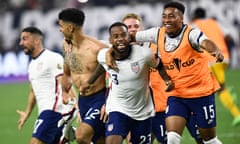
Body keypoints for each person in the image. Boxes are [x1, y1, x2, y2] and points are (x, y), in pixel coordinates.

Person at [106, 2, 224, 144]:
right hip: (176, 95)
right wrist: (109, 51)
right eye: (164, 16)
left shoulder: (191, 33)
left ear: (181, 18)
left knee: (209, 140)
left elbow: (205, 42)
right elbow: (123, 39)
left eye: (171, 16)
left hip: (200, 93)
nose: (167, 20)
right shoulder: (157, 33)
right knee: (172, 139)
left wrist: (215, 50)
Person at [122, 13, 203, 144]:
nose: (133, 29)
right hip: (152, 107)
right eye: (128, 26)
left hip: (183, 98)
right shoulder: (120, 56)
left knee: (203, 138)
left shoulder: (156, 46)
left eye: (136, 26)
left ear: (141, 29)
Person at [16, 26, 77, 144]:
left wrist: (77, 106)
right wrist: (27, 113)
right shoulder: (31, 65)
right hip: (46, 112)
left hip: (54, 111)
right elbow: (33, 91)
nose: (21, 43)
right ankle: (74, 133)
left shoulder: (52, 58)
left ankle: (72, 131)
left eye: (24, 39)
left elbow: (66, 82)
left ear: (37, 40)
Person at [58, 8, 108, 144]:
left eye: (61, 26)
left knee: (81, 136)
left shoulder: (97, 48)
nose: (60, 30)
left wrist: (109, 102)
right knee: (100, 141)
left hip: (99, 99)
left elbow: (113, 74)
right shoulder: (66, 46)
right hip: (83, 100)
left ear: (71, 27)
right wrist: (64, 92)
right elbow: (67, 72)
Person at [191, 7, 240, 126]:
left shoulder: (193, 25)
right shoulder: (214, 22)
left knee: (220, 89)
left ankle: (237, 113)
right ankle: (230, 95)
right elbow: (229, 36)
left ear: (195, 16)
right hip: (225, 57)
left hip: (211, 59)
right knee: (218, 85)